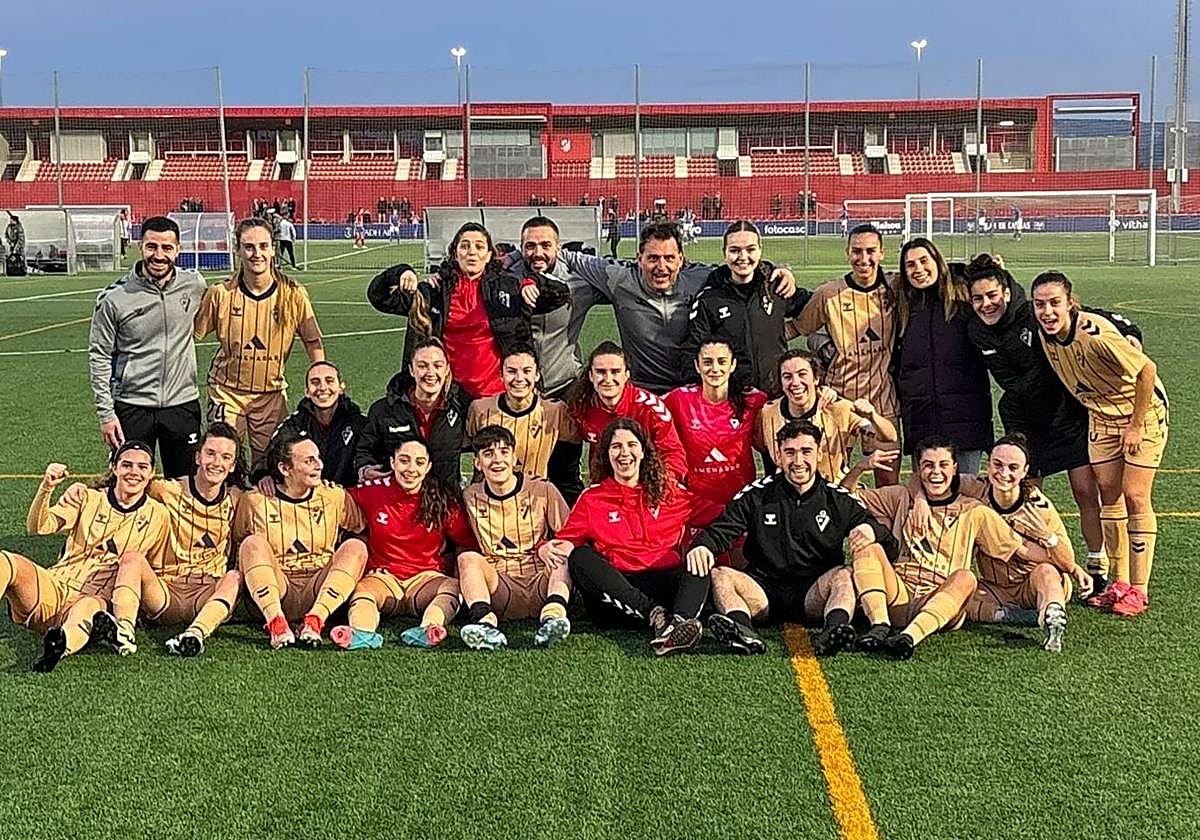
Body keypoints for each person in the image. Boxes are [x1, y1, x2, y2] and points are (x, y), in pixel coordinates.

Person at [964, 254, 1143, 592]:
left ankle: (1097, 563)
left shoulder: (1034, 312)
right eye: (977, 298)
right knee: (1024, 495)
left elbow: (1089, 318)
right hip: (1022, 419)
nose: (986, 304)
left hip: (1066, 414)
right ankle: (1026, 563)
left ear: (1006, 292)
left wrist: (1130, 331)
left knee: (1085, 491)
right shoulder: (975, 329)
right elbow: (1010, 380)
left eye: (992, 296)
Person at [687, 419, 899, 656]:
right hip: (763, 591)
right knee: (720, 574)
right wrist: (703, 546)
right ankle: (743, 631)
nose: (798, 461)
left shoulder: (837, 499)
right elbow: (721, 531)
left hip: (814, 593)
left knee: (844, 574)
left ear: (818, 454)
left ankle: (834, 630)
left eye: (806, 451)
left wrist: (872, 531)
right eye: (790, 452)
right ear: (778, 456)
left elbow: (890, 543)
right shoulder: (757, 494)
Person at [1033, 271, 1169, 617]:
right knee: (1109, 493)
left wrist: (1136, 425)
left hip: (1141, 411)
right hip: (1101, 417)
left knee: (1136, 495)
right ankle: (1118, 583)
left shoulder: (1095, 334)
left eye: (1054, 303)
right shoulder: (1044, 335)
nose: (1047, 311)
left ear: (1070, 303)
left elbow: (1146, 371)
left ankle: (1139, 589)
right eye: (1040, 305)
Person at [850, 436, 1053, 660]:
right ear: (917, 470)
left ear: (955, 468)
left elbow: (1022, 549)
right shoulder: (900, 496)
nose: (936, 472)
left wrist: (1070, 567)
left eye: (943, 465)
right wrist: (860, 468)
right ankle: (879, 626)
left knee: (966, 577)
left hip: (943, 602)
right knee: (864, 542)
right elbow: (840, 500)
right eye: (928, 465)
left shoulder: (975, 511)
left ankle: (908, 638)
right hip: (897, 593)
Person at [559, 220, 797, 394]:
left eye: (669, 258)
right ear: (638, 258)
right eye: (652, 258)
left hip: (690, 390)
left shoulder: (702, 277)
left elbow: (741, 267)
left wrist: (774, 271)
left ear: (681, 259)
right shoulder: (619, 278)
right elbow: (566, 256)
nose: (661, 266)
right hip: (643, 391)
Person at [81, 423, 248, 657]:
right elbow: (127, 484)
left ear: (232, 466)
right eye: (210, 453)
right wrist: (84, 491)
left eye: (225, 457)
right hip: (164, 592)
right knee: (132, 559)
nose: (216, 462)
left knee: (234, 577)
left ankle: (195, 635)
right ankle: (124, 630)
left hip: (206, 593)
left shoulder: (237, 498)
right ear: (198, 457)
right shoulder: (165, 491)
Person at [0, 443, 170, 672]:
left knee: (89, 607)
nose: (134, 472)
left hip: (95, 599)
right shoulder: (88, 498)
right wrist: (47, 487)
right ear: (114, 468)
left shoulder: (158, 515)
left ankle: (59, 646)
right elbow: (38, 527)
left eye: (142, 467)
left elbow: (153, 569)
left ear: (150, 473)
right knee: (6, 561)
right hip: (54, 587)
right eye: (127, 465)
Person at [546, 419, 707, 655]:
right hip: (618, 598)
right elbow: (565, 542)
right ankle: (657, 616)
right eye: (616, 447)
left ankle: (676, 627)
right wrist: (543, 547)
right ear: (606, 454)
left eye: (632, 445)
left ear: (643, 451)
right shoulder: (593, 498)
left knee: (701, 557)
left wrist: (705, 545)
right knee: (580, 557)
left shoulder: (669, 491)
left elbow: (718, 516)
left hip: (666, 587)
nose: (624, 453)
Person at [367, 221, 571, 400]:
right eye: (465, 246)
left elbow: (560, 294)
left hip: (497, 396)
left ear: (489, 255)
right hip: (448, 398)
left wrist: (531, 281)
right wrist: (399, 272)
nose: (472, 251)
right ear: (455, 253)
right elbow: (379, 298)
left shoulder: (509, 288)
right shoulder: (433, 292)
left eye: (479, 246)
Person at [194, 217, 325, 464]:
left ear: (274, 248)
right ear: (238, 249)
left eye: (263, 246)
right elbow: (190, 336)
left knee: (268, 466)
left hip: (271, 395)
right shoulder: (220, 294)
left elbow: (312, 342)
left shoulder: (293, 294)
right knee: (219, 461)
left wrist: (319, 381)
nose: (257, 254)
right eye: (249, 247)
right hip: (226, 392)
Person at [88, 215, 206, 479]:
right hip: (132, 406)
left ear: (178, 250)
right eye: (152, 246)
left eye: (167, 247)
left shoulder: (194, 284)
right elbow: (99, 356)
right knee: (128, 486)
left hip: (182, 405)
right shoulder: (114, 298)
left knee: (186, 485)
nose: (159, 255)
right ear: (140, 246)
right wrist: (106, 414)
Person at [333, 437, 476, 650]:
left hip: (425, 578)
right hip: (383, 577)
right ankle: (361, 633)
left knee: (452, 587)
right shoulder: (371, 491)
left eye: (419, 463)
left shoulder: (442, 498)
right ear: (392, 462)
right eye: (404, 460)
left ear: (428, 467)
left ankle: (429, 629)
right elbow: (335, 499)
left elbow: (467, 541)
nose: (411, 469)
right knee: (362, 592)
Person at [956, 434, 1094, 652]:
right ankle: (1015, 616)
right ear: (988, 464)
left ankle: (1053, 617)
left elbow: (1067, 562)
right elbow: (927, 479)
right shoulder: (974, 487)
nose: (1004, 473)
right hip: (996, 587)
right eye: (997, 464)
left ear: (1024, 471)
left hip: (1035, 583)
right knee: (954, 596)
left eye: (1013, 467)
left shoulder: (1038, 506)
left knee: (1047, 572)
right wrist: (919, 502)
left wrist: (1047, 536)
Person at [789, 224, 901, 485]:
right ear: (847, 253)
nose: (864, 259)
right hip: (838, 400)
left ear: (882, 253)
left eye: (871, 251)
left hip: (883, 402)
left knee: (888, 483)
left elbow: (937, 277)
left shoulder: (896, 288)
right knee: (832, 479)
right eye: (857, 251)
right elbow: (797, 327)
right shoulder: (829, 294)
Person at [236, 431, 368, 649]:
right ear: (285, 469)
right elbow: (236, 542)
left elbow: (361, 529)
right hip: (278, 586)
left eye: (318, 458)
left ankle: (315, 621)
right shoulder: (254, 501)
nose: (319, 465)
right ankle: (276, 623)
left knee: (356, 546)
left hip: (320, 587)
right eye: (309, 461)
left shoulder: (334, 496)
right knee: (252, 544)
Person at [456, 426, 573, 650]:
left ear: (514, 457)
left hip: (541, 580)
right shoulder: (469, 496)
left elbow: (571, 535)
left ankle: (552, 618)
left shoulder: (543, 490)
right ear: (478, 463)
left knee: (564, 552)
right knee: (467, 558)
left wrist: (543, 546)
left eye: (503, 452)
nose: (497, 460)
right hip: (501, 587)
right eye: (488, 454)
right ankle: (486, 625)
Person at [893, 238, 993, 474]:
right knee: (930, 502)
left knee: (967, 500)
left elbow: (1004, 304)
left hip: (966, 426)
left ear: (938, 261)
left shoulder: (964, 302)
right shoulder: (902, 310)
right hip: (922, 427)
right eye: (910, 265)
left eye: (924, 261)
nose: (918, 269)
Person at [510, 216, 590, 502]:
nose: (537, 252)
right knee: (516, 470)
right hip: (517, 393)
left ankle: (571, 536)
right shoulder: (505, 278)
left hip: (564, 387)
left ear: (558, 246)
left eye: (545, 245)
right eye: (530, 246)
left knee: (564, 472)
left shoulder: (580, 282)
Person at [681, 220, 811, 392]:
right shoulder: (709, 298)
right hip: (734, 399)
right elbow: (693, 350)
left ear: (760, 250)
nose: (743, 257)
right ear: (724, 253)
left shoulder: (776, 287)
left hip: (776, 396)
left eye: (750, 250)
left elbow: (818, 306)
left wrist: (810, 336)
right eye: (734, 250)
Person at [664, 339, 766, 529]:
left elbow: (786, 409)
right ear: (697, 365)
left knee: (740, 557)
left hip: (740, 503)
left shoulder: (753, 400)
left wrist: (826, 394)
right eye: (707, 362)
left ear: (733, 364)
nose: (715, 368)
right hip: (695, 505)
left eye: (722, 361)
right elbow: (645, 409)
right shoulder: (678, 399)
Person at [755, 350, 897, 486]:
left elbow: (890, 437)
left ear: (816, 378)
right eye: (787, 377)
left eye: (802, 374)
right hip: (788, 498)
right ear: (781, 382)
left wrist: (873, 416)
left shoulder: (839, 409)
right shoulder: (768, 413)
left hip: (835, 493)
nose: (795, 382)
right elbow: (760, 444)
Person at [567, 341, 689, 483]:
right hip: (607, 488)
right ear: (590, 376)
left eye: (615, 372)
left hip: (648, 486)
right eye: (600, 372)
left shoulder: (650, 409)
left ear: (626, 375)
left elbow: (674, 455)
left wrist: (659, 485)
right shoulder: (581, 407)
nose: (608, 379)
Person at [356, 337, 470, 488]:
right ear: (411, 370)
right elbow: (365, 450)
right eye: (422, 366)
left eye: (437, 366)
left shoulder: (461, 407)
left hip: (444, 500)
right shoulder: (384, 410)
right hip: (397, 499)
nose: (430, 373)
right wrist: (365, 470)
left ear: (447, 369)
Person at [465, 347, 577, 484]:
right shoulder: (480, 409)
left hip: (534, 498)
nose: (519, 378)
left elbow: (571, 461)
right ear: (501, 375)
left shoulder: (555, 411)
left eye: (526, 371)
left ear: (537, 375)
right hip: (487, 498)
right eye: (511, 371)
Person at [268, 361, 366, 488]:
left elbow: (369, 458)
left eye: (329, 381)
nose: (322, 388)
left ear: (341, 387)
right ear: (307, 391)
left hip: (348, 496)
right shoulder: (295, 424)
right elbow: (270, 457)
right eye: (315, 382)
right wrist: (264, 475)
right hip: (306, 496)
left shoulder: (359, 423)